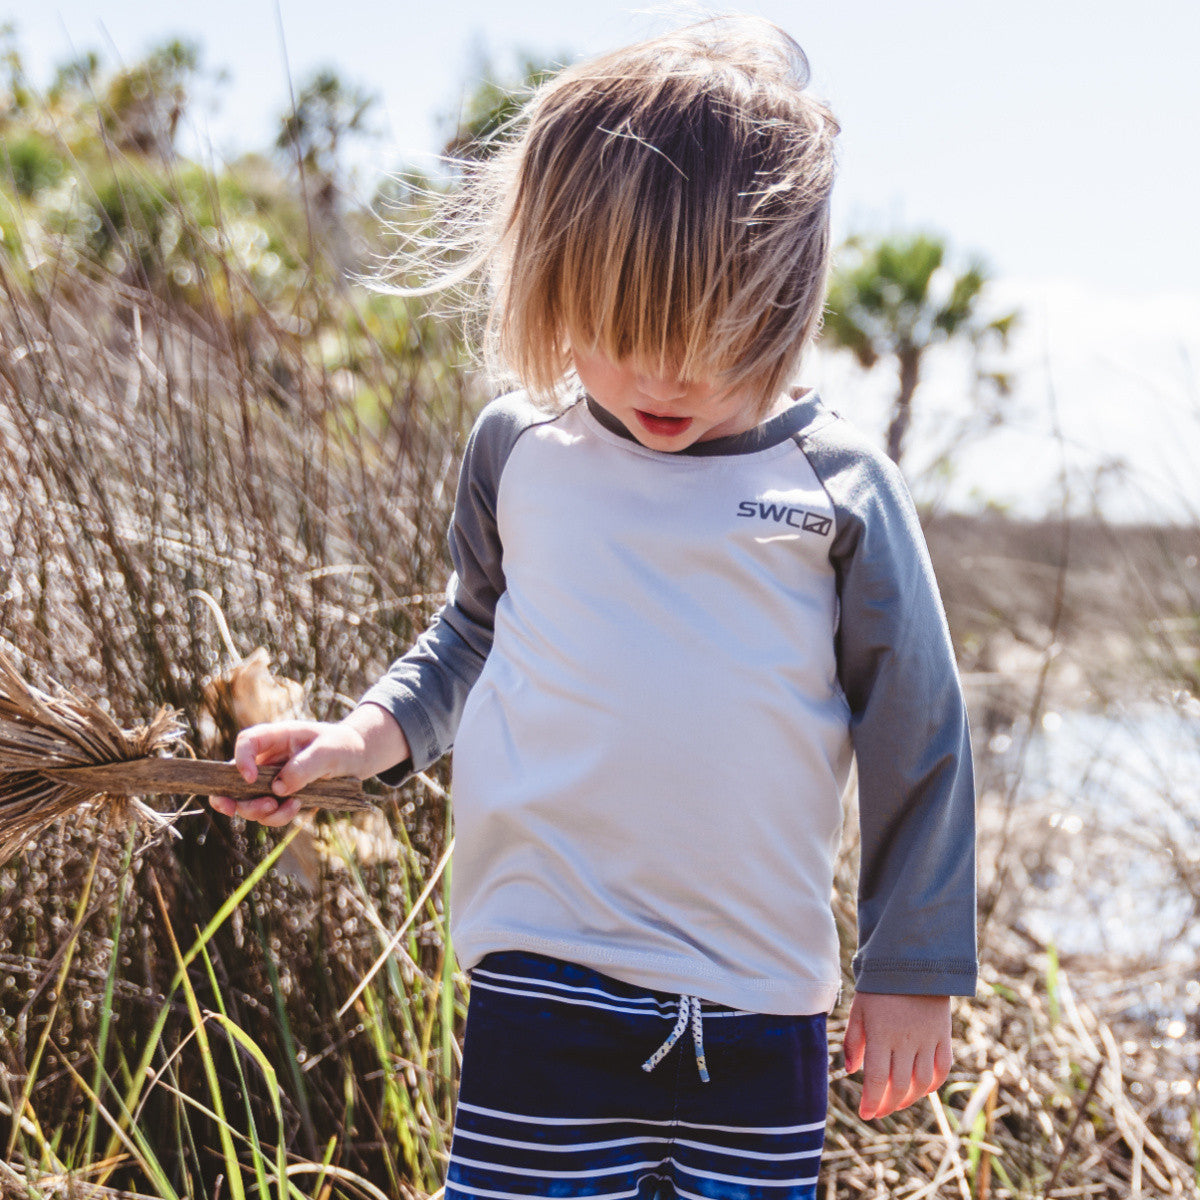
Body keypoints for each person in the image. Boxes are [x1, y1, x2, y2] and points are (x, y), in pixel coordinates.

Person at [210, 16, 976, 1199]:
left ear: (785, 298)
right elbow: (471, 635)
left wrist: (913, 965)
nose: (665, 376)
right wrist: (358, 742)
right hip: (544, 978)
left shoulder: (837, 487)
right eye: (623, 334)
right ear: (557, 283)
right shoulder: (521, 449)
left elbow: (915, 727)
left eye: (713, 337)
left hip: (760, 1001)